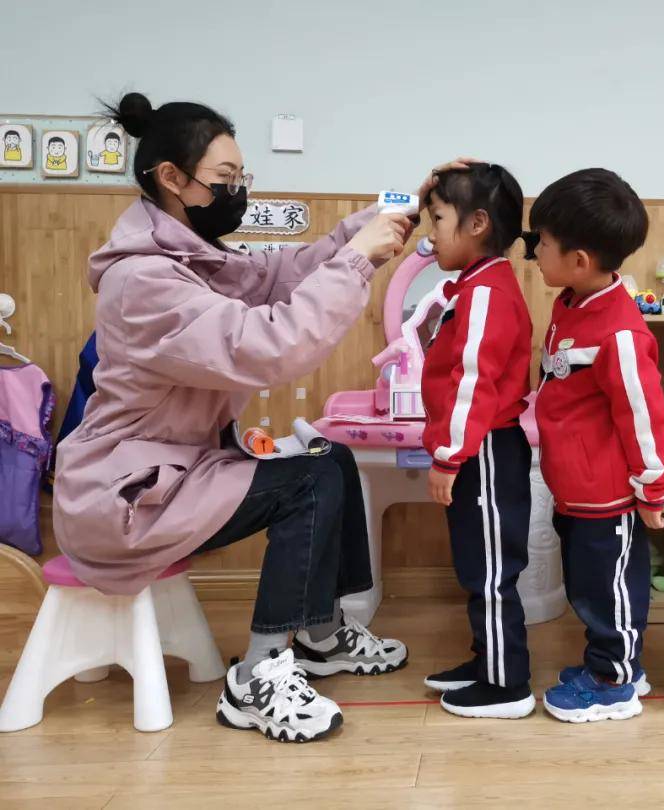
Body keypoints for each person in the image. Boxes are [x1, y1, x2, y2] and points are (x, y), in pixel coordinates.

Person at [53, 90, 464, 742]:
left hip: (176, 470)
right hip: (124, 496)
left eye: (242, 179)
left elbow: (295, 265)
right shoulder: (147, 281)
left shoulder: (196, 257)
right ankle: (260, 672)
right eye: (225, 180)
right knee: (305, 482)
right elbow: (266, 343)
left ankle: (323, 636)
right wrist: (359, 260)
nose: (238, 191)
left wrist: (403, 206)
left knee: (331, 456)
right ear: (171, 178)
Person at [531, 168, 664, 723]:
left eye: (542, 242)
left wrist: (652, 487)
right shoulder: (570, 303)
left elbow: (644, 416)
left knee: (608, 589)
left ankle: (614, 681)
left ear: (581, 260)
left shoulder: (619, 332)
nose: (534, 251)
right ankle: (610, 663)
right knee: (589, 586)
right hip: (574, 487)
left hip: (607, 495)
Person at [419, 164, 536, 719]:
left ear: (478, 224)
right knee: (476, 560)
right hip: (478, 447)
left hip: (486, 447)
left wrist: (448, 455)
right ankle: (487, 660)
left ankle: (507, 683)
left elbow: (472, 384)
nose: (430, 231)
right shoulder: (474, 284)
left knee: (489, 568)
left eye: (438, 218)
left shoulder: (487, 290)